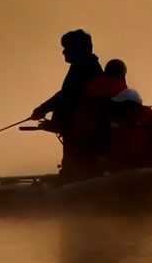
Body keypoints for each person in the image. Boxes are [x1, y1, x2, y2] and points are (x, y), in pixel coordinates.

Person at [30, 30, 105, 183]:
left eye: (67, 47)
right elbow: (65, 94)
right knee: (77, 163)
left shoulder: (84, 68)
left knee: (77, 163)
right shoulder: (84, 66)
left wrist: (43, 109)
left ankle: (73, 183)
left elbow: (68, 96)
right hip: (77, 128)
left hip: (81, 130)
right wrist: (44, 109)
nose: (63, 51)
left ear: (78, 49)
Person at [103, 88, 152, 171]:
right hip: (121, 174)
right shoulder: (115, 122)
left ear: (131, 105)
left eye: (121, 105)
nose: (117, 108)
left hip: (147, 174)